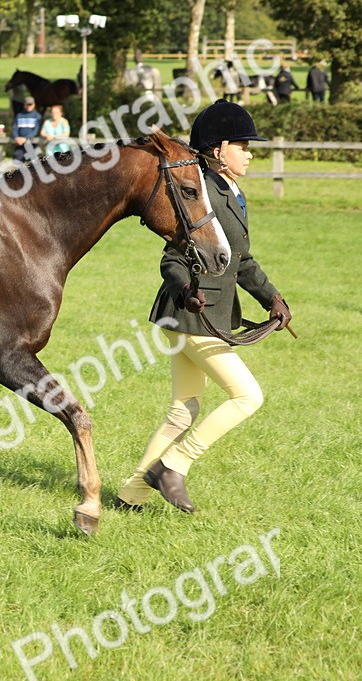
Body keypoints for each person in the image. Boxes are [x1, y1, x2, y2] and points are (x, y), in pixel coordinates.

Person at [115, 100, 292, 514]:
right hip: (192, 313)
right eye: (243, 146)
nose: (250, 154)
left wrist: (272, 297)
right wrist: (184, 289)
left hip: (201, 317)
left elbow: (241, 260)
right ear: (218, 149)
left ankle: (132, 494)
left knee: (183, 410)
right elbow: (173, 258)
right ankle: (173, 466)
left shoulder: (233, 192)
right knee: (247, 396)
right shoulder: (202, 190)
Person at [11, 95, 42, 162]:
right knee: (16, 159)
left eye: (30, 105)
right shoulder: (19, 115)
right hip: (20, 144)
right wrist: (16, 137)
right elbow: (15, 128)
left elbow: (36, 131)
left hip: (31, 144)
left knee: (34, 163)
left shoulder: (37, 116)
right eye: (27, 105)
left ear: (34, 105)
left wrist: (25, 138)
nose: (29, 106)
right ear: (24, 105)